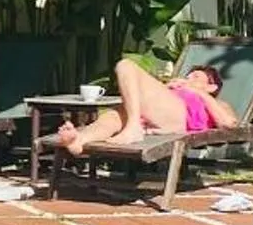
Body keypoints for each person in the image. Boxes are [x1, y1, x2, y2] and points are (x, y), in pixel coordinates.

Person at [55, 59, 237, 156]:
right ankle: (78, 140)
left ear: (212, 86)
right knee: (113, 116)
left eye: (196, 76)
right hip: (151, 116)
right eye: (188, 76)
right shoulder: (174, 89)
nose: (189, 78)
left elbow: (228, 123)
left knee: (126, 65)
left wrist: (196, 91)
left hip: (179, 115)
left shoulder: (218, 103)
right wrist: (166, 88)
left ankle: (133, 127)